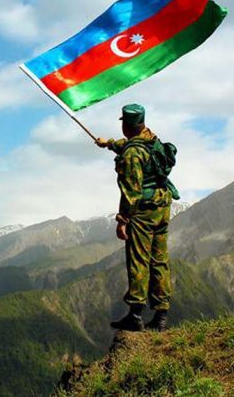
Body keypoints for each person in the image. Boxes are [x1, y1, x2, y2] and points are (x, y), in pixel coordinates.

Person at [95, 104, 174, 332]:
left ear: (126, 126)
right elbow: (131, 145)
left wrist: (123, 221)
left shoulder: (132, 154)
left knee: (139, 260)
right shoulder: (153, 140)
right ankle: (160, 316)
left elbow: (132, 191)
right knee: (159, 260)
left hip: (143, 212)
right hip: (162, 206)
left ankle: (136, 315)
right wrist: (109, 144)